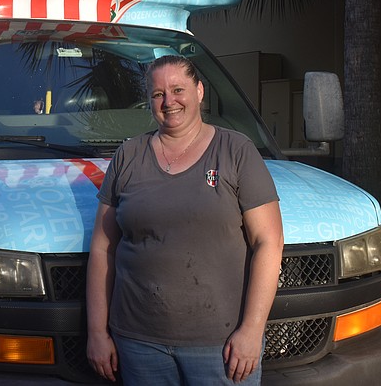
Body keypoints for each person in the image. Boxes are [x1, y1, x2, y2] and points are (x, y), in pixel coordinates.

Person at [86, 55, 283, 385]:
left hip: (221, 347)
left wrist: (251, 330)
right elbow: (103, 248)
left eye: (178, 89)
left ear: (200, 91)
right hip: (138, 345)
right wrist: (96, 332)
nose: (169, 101)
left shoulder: (235, 151)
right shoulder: (128, 156)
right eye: (158, 94)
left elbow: (269, 242)